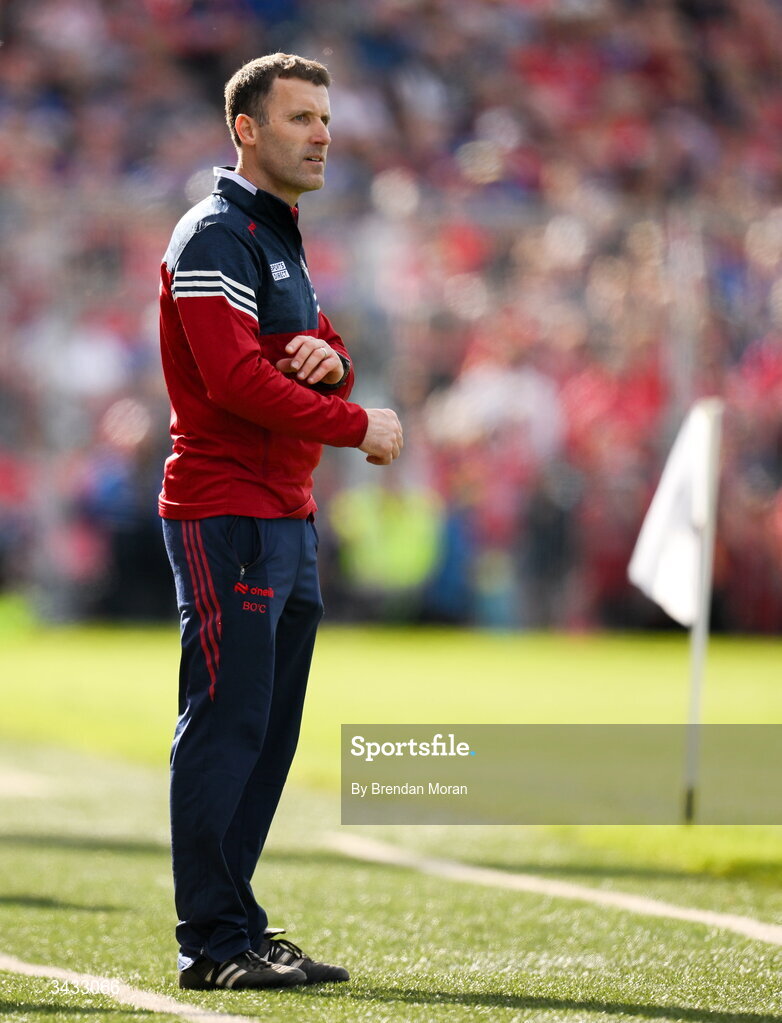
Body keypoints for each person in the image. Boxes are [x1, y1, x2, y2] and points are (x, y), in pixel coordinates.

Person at [158, 52, 403, 992]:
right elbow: (234, 379)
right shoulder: (216, 235)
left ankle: (237, 922)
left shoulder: (276, 236)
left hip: (284, 514)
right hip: (227, 510)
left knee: (266, 730)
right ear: (246, 130)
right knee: (227, 724)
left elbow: (320, 346)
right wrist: (355, 424)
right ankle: (212, 941)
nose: (323, 135)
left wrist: (332, 366)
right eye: (301, 117)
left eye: (326, 119)